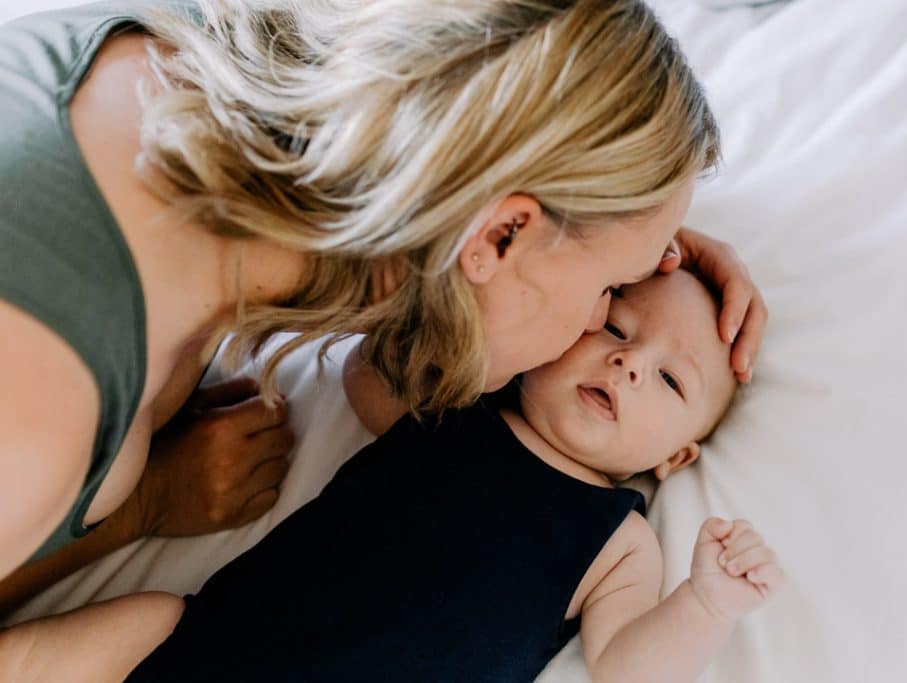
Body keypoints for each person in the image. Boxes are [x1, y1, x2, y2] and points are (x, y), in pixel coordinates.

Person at [0, 0, 766, 639]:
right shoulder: (37, 411)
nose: (606, 321)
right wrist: (145, 504)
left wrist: (651, 259)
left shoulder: (192, 54)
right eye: (611, 291)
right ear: (499, 236)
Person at [0, 268, 783, 682]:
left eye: (671, 381)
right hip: (206, 641)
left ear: (676, 457)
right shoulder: (461, 405)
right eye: (614, 326)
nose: (628, 363)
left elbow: (628, 669)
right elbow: (366, 376)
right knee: (114, 629)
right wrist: (465, 332)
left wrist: (706, 602)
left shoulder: (617, 540)